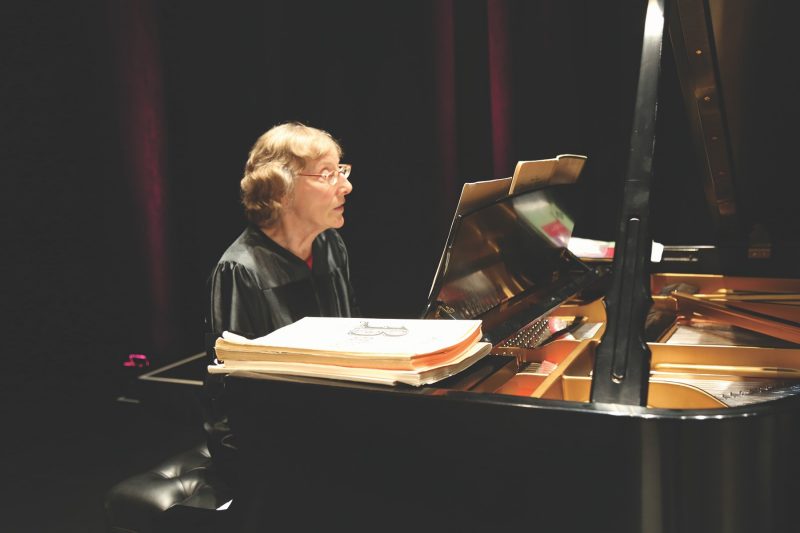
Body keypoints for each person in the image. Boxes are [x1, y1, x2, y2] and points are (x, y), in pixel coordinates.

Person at [204, 122, 359, 488]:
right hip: (278, 454)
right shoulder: (241, 270)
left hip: (336, 429)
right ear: (282, 188)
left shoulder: (329, 246)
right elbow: (232, 402)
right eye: (327, 173)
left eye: (342, 170)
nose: (346, 185)